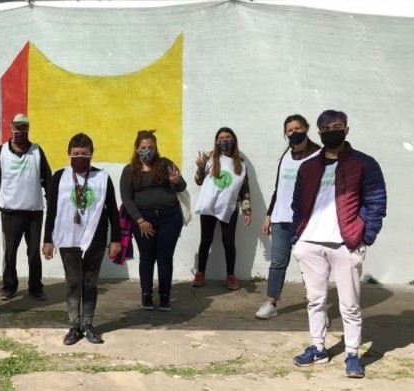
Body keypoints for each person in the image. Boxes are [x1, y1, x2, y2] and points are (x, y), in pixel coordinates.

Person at [291, 110, 386, 378]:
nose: (332, 131)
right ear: (319, 133)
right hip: (310, 242)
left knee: (350, 304)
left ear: (346, 129)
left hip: (346, 243)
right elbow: (297, 204)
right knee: (315, 300)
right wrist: (297, 237)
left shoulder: (364, 164)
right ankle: (318, 348)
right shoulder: (308, 167)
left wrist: (365, 236)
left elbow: (376, 202)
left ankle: (352, 354)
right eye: (326, 128)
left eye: (337, 126)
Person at [42, 133, 121, 345]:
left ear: (91, 154)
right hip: (68, 239)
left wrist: (116, 239)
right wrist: (48, 240)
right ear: (69, 153)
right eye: (76, 153)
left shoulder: (102, 178)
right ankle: (74, 326)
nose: (80, 157)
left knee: (90, 282)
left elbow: (113, 210)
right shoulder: (59, 177)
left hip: (96, 238)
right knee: (73, 282)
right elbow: (52, 210)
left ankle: (88, 324)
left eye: (84, 154)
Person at [255, 115, 321, 320]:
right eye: (289, 130)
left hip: (305, 219)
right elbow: (279, 188)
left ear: (306, 128)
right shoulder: (285, 155)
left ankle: (317, 306)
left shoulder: (318, 155)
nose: (294, 133)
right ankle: (271, 303)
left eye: (297, 128)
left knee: (311, 264)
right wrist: (269, 215)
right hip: (280, 218)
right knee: (277, 263)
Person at [0, 113, 52, 301]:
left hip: (34, 212)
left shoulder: (37, 151)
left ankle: (35, 287)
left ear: (28, 129)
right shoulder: (1, 152)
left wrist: (51, 200)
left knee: (33, 253)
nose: (20, 131)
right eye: (17, 127)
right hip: (10, 211)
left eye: (23, 127)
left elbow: (47, 178)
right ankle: (9, 286)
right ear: (11, 128)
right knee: (10, 252)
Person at [120, 130, 186, 311]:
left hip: (169, 217)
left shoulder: (166, 164)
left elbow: (182, 186)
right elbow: (127, 199)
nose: (147, 151)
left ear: (156, 148)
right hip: (143, 219)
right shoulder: (129, 170)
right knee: (147, 257)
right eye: (143, 148)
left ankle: (165, 296)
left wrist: (175, 181)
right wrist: (140, 221)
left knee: (165, 257)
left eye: (150, 147)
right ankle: (146, 294)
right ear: (137, 149)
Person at [193, 127, 251, 290]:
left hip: (229, 207)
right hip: (209, 207)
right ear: (217, 141)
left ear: (234, 140)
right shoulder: (210, 158)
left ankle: (231, 276)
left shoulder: (241, 164)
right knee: (205, 241)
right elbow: (198, 181)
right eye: (221, 138)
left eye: (228, 137)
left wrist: (247, 210)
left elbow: (244, 189)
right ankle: (200, 273)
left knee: (229, 242)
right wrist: (200, 168)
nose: (225, 140)